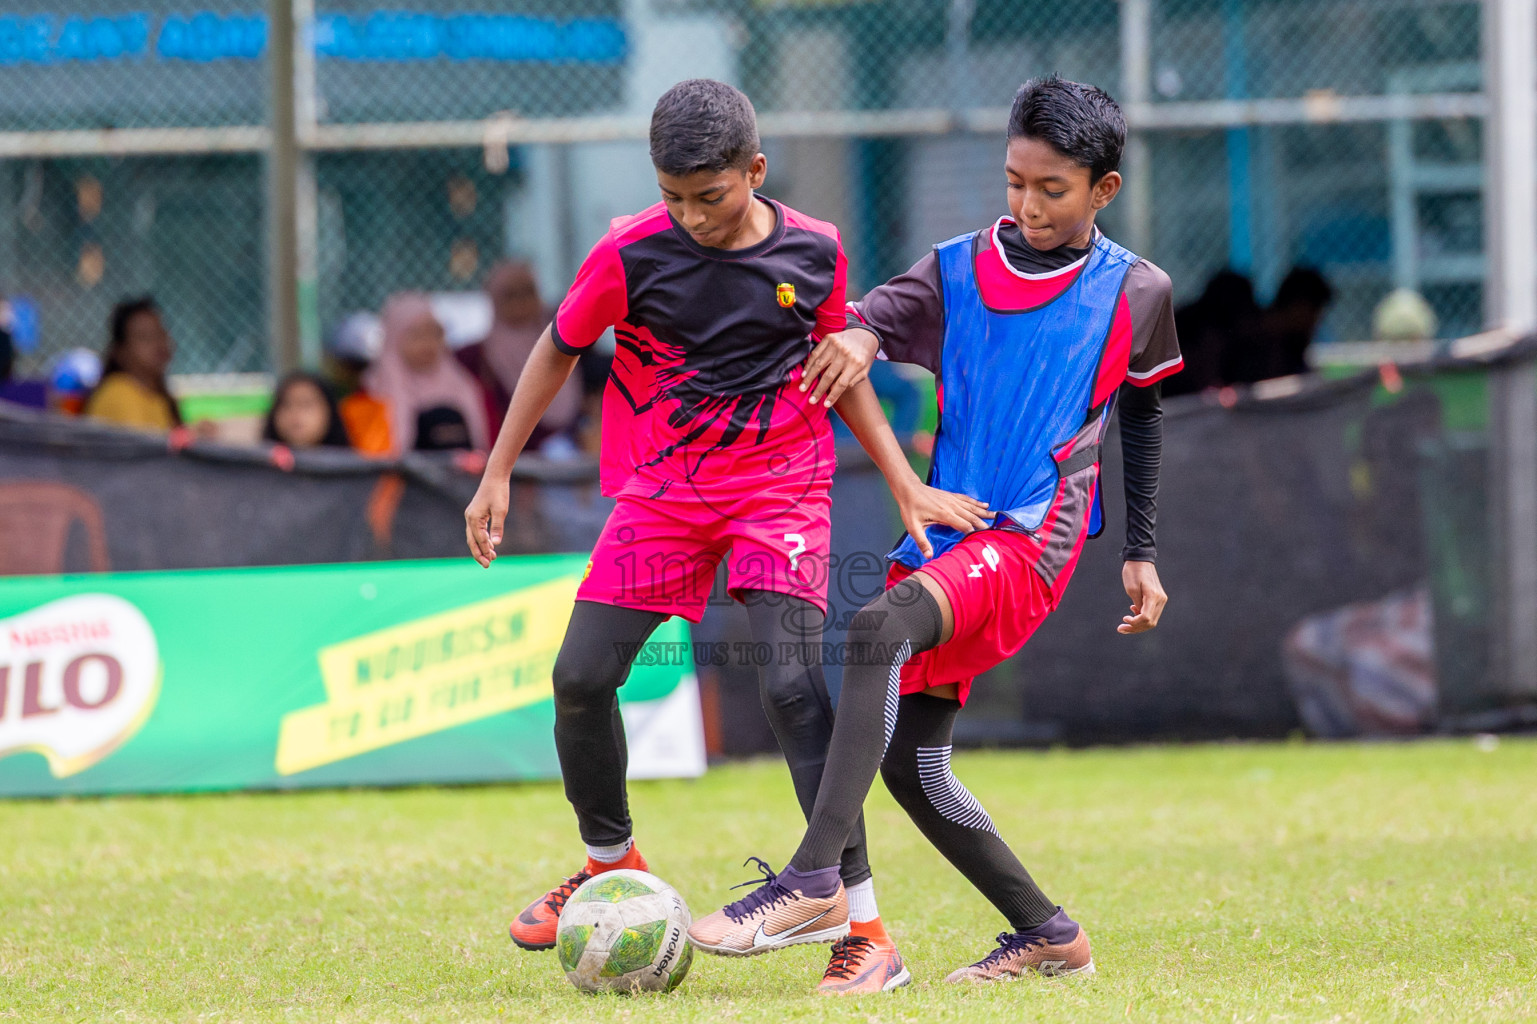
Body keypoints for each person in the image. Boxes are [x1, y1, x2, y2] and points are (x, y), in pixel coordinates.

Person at [462, 79, 984, 996]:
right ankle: (608, 865)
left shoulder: (813, 250)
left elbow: (838, 368)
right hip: (663, 495)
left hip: (779, 491)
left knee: (790, 686)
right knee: (581, 678)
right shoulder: (628, 252)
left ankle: (863, 933)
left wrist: (904, 481)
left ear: (754, 170)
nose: (690, 215)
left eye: (709, 195)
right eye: (671, 195)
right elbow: (556, 346)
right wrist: (496, 470)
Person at [689, 75, 1182, 987]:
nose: (1027, 205)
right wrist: (862, 338)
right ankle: (1046, 931)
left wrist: (1140, 552)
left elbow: (1142, 418)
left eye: (1052, 189)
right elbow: (871, 318)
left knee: (873, 628)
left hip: (1033, 534)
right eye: (1014, 182)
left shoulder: (1135, 292)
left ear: (1103, 190)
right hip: (948, 527)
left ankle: (812, 881)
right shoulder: (955, 264)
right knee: (914, 765)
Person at [457, 260, 582, 451]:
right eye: (510, 295)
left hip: (577, 461)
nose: (520, 302)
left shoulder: (567, 341)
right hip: (513, 466)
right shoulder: (474, 357)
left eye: (527, 292)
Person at [364, 293, 488, 454]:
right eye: (416, 335)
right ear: (394, 336)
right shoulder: (372, 391)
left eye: (434, 333)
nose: (427, 343)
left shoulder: (463, 385)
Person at [84, 297, 184, 431]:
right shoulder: (118, 392)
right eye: (144, 337)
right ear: (120, 351)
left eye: (160, 333)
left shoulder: (157, 396)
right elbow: (147, 449)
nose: (158, 343)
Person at [262, 372, 352, 449]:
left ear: (330, 412)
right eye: (286, 405)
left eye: (306, 404)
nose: (295, 414)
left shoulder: (351, 465)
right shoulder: (261, 463)